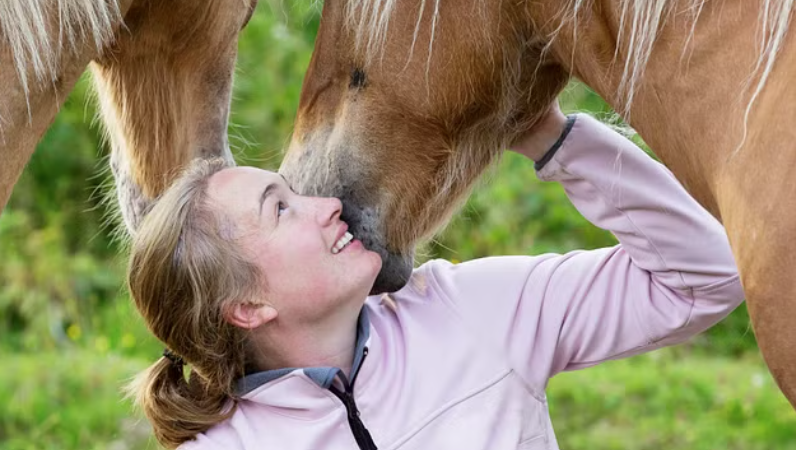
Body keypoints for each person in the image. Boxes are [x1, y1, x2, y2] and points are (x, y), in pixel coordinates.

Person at [124, 104, 743, 449]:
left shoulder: (469, 309)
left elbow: (706, 276)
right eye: (281, 209)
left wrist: (552, 139)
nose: (328, 204)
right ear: (247, 306)